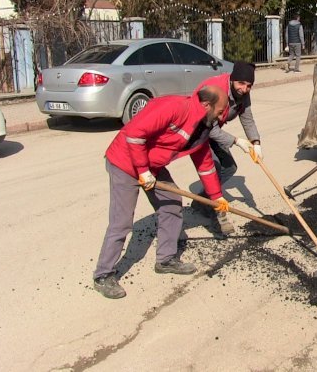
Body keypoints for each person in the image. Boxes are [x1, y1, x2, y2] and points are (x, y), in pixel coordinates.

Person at [92, 85, 229, 299]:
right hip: (125, 163)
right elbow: (134, 134)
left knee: (173, 204)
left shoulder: (200, 128)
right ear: (206, 105)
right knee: (122, 221)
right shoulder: (174, 107)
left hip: (151, 166)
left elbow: (205, 165)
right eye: (220, 111)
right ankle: (103, 275)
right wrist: (143, 171)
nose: (222, 117)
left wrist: (216, 196)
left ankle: (165, 260)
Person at [189, 62, 263, 236]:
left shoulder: (244, 93)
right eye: (241, 84)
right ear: (232, 79)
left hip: (214, 129)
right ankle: (218, 214)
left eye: (248, 85)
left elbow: (247, 117)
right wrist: (237, 141)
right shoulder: (215, 90)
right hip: (198, 129)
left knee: (230, 167)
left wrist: (256, 142)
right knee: (214, 167)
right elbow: (210, 128)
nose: (244, 89)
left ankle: (202, 201)